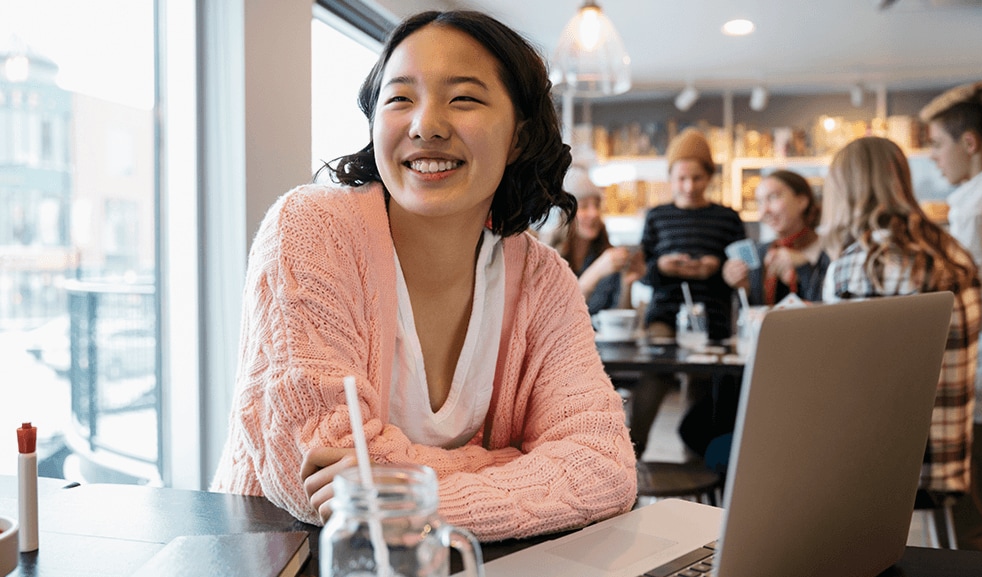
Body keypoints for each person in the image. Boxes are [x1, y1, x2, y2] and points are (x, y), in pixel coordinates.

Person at [210, 10, 637, 542]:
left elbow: (604, 464)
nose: (425, 125)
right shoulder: (312, 231)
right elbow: (314, 480)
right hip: (287, 558)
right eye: (400, 98)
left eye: (464, 98)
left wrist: (421, 495)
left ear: (521, 137)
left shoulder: (542, 279)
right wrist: (511, 463)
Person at [820, 136, 981, 504]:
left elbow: (846, 382)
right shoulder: (950, 250)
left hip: (890, 468)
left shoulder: (858, 265)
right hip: (948, 457)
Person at [631, 128, 747, 459]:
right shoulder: (657, 216)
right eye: (682, 178)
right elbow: (645, 274)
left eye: (697, 178)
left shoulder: (727, 218)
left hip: (713, 318)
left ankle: (695, 465)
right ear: (670, 176)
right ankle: (629, 454)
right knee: (656, 369)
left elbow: (739, 275)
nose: (689, 186)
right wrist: (665, 267)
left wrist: (720, 268)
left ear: (709, 176)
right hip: (665, 313)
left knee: (702, 385)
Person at [920, 80, 982, 551]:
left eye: (937, 144)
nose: (934, 156)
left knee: (965, 525)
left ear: (969, 143)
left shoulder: (978, 209)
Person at [545, 164, 645, 315]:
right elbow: (557, 314)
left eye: (597, 205)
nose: (594, 213)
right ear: (565, 214)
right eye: (584, 207)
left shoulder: (607, 255)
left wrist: (627, 284)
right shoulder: (550, 258)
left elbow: (619, 319)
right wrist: (596, 271)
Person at [722, 169, 829, 305]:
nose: (764, 211)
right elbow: (758, 315)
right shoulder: (761, 252)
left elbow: (830, 310)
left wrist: (803, 267)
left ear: (802, 201)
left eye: (773, 197)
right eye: (759, 202)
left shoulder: (829, 250)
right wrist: (745, 288)